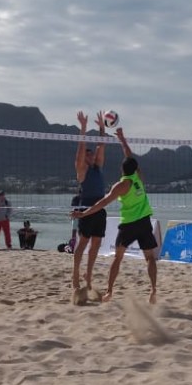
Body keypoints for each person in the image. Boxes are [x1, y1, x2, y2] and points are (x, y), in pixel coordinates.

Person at [72, 127, 158, 303]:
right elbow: (129, 156)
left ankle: (109, 292)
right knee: (150, 258)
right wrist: (122, 139)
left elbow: (102, 203)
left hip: (127, 224)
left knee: (117, 258)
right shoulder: (138, 178)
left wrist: (84, 213)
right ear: (135, 169)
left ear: (122, 169)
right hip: (144, 222)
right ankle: (153, 290)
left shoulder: (119, 186)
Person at [71, 110, 108, 291]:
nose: (91, 155)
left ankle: (89, 276)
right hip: (87, 208)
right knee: (83, 243)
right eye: (88, 154)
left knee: (96, 244)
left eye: (91, 154)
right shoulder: (82, 170)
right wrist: (84, 128)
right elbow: (79, 152)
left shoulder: (97, 167)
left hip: (100, 208)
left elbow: (102, 146)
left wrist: (102, 128)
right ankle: (75, 275)